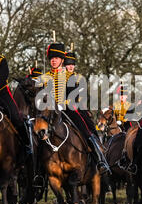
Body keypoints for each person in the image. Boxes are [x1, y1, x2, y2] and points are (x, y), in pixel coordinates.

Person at [40, 43, 110, 175]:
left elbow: (73, 94)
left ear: (62, 60)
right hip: (49, 111)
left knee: (85, 128)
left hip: (67, 109)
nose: (53, 60)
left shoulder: (70, 76)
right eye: (51, 58)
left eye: (56, 58)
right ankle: (37, 170)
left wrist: (62, 104)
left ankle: (99, 159)